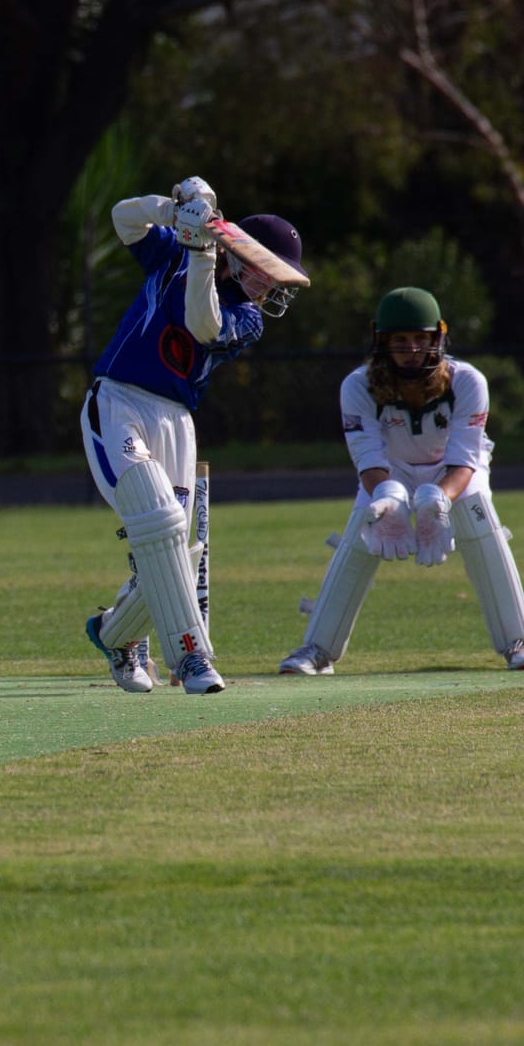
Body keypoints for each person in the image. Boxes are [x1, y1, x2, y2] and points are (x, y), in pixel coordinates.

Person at [81, 176, 304, 694]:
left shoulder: (248, 318)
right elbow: (123, 217)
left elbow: (202, 326)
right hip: (118, 400)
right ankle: (191, 657)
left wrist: (202, 249)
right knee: (158, 518)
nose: (271, 286)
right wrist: (172, 209)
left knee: (177, 552)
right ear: (243, 255)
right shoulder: (173, 255)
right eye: (268, 272)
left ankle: (115, 634)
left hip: (177, 420)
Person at [279, 286, 524, 675]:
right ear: (382, 342)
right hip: (391, 470)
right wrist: (387, 498)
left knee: (478, 518)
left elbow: (466, 458)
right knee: (364, 529)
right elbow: (367, 458)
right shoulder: (358, 385)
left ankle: (518, 642)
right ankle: (317, 650)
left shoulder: (468, 381)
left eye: (420, 339)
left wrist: (438, 500)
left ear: (437, 337)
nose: (411, 349)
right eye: (400, 340)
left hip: (453, 471)